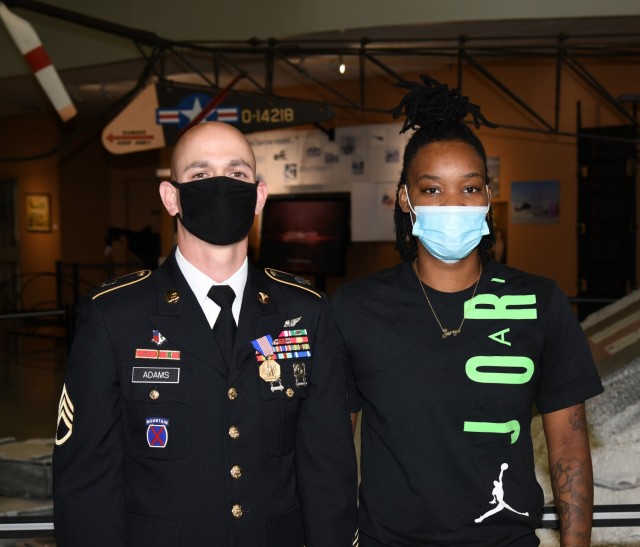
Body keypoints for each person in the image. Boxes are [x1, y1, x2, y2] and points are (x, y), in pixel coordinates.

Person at [53, 121, 357, 547]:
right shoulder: (115, 317)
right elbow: (86, 483)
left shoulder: (305, 311)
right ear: (171, 197)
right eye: (199, 174)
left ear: (259, 195)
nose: (220, 185)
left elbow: (329, 469)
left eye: (236, 174)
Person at [331, 75, 603, 546]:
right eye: (432, 190)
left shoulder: (541, 303)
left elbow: (570, 447)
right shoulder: (356, 309)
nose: (453, 204)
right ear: (405, 199)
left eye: (470, 188)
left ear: (487, 199)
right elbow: (332, 451)